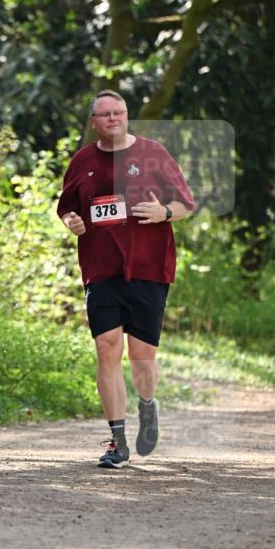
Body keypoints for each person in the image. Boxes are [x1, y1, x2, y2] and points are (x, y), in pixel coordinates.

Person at [57, 90, 194, 469]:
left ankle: (147, 405)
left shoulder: (154, 154)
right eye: (104, 115)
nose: (113, 119)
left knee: (142, 358)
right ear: (93, 122)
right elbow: (67, 207)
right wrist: (72, 222)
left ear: (127, 116)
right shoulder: (83, 160)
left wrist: (164, 211)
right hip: (101, 269)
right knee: (106, 346)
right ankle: (117, 441)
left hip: (149, 267)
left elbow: (186, 204)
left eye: (118, 112)